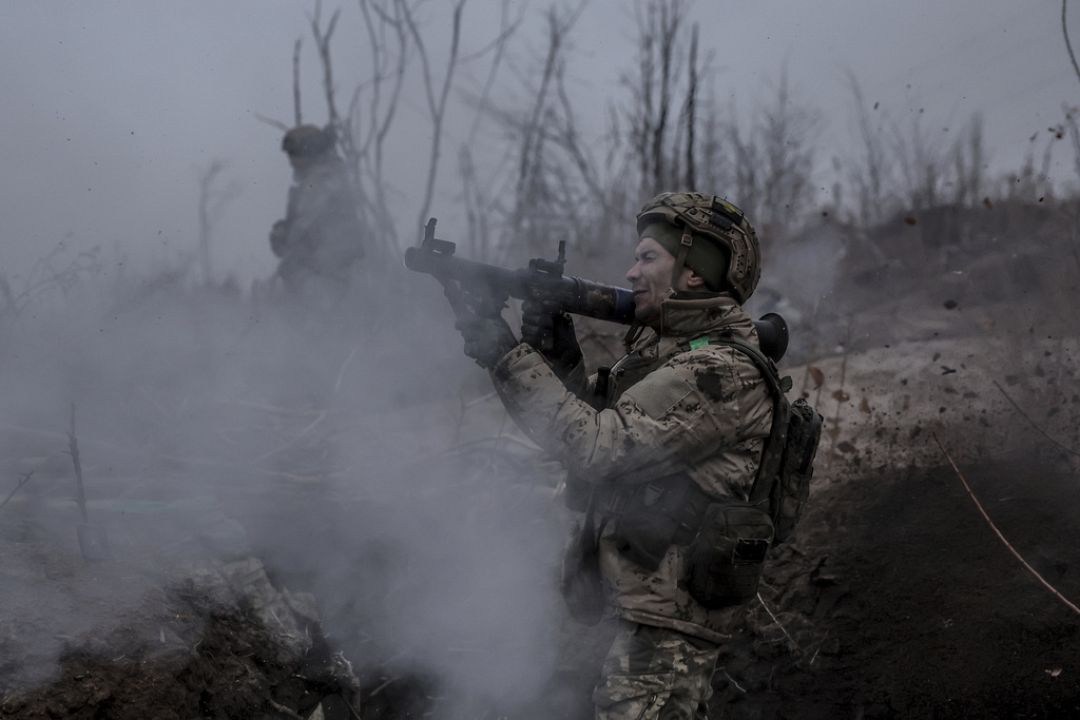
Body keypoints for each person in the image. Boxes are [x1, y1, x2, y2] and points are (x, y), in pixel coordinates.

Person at [453, 192, 776, 719]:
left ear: (694, 273)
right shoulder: (666, 357)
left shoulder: (720, 372)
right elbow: (577, 423)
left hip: (668, 623)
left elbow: (596, 447)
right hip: (639, 606)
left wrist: (504, 353)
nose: (630, 272)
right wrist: (555, 354)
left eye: (648, 257)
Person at [269, 125, 364, 302]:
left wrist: (282, 235)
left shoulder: (320, 181)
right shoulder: (331, 175)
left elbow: (299, 231)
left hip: (330, 273)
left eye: (293, 154)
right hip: (334, 268)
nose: (291, 161)